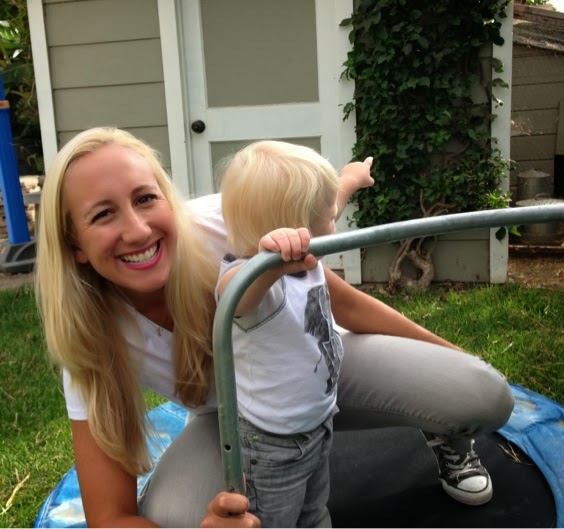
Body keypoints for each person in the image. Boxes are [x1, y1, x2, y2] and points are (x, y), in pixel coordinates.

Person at [35, 127, 514, 528]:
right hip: (234, 423)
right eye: (103, 214)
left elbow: (341, 294)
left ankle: (442, 434)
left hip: (323, 366)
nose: (138, 230)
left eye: (145, 198)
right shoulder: (90, 341)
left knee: (483, 394)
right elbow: (110, 518)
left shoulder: (225, 222)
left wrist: (448, 352)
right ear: (74, 245)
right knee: (174, 517)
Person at [216, 141, 345, 527]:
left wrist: (352, 178)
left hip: (318, 425)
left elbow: (332, 204)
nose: (336, 223)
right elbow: (235, 299)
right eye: (330, 219)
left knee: (314, 512)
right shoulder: (248, 281)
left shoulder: (308, 260)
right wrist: (269, 266)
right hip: (272, 446)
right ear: (297, 235)